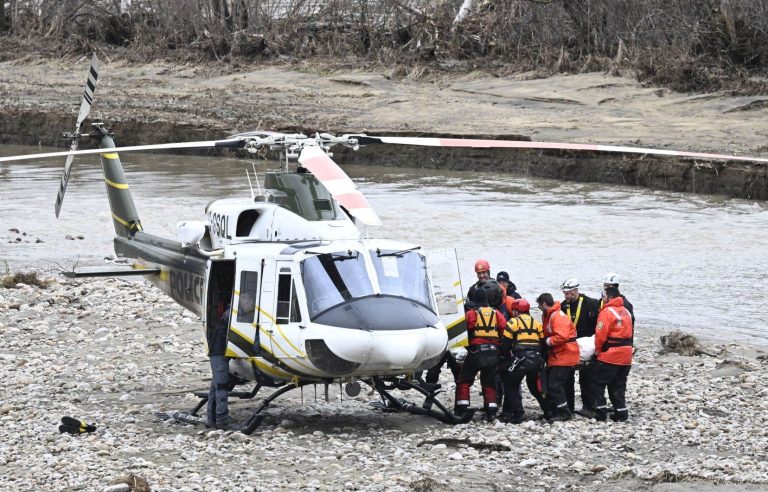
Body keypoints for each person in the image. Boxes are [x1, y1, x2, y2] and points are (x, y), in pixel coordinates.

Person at [455, 286, 506, 421]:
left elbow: (463, 332)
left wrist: (467, 347)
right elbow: (504, 331)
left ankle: (462, 409)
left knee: (464, 380)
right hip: (493, 353)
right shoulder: (496, 313)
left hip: (476, 352)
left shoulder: (471, 314)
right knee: (489, 382)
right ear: (487, 299)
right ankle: (491, 411)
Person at [499, 299, 548, 423]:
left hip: (521, 358)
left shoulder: (513, 322)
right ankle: (548, 411)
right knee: (535, 387)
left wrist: (505, 359)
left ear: (516, 311)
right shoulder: (537, 323)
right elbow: (543, 344)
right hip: (537, 358)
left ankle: (518, 413)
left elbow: (505, 346)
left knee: (511, 385)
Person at [591, 286, 634, 421]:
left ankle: (600, 411)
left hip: (611, 354)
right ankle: (621, 413)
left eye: (604, 297)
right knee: (618, 385)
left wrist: (597, 351)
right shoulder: (626, 311)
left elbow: (600, 335)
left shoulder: (606, 312)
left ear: (609, 298)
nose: (602, 299)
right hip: (626, 355)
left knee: (597, 382)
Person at [560, 277, 600, 416]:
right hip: (570, 347)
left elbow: (599, 327)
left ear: (576, 290)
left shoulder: (591, 304)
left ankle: (589, 407)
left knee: (587, 378)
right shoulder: (563, 306)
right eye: (565, 293)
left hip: (587, 346)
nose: (567, 296)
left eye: (569, 293)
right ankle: (569, 408)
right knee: (567, 378)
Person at [536, 292, 579, 422]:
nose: (539, 309)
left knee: (554, 385)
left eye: (539, 306)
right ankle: (559, 410)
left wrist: (547, 342)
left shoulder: (556, 316)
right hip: (559, 355)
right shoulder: (550, 315)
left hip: (564, 355)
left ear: (544, 304)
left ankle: (564, 412)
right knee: (557, 384)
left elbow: (562, 336)